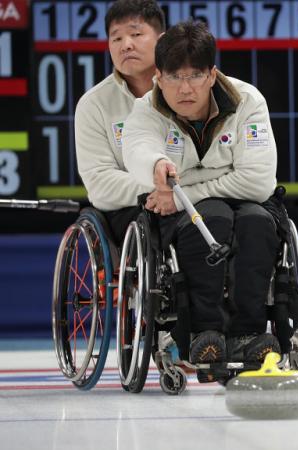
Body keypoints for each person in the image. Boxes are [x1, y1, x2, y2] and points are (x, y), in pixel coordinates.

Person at [121, 21, 282, 377]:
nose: (185, 88)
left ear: (212, 75)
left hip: (217, 200)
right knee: (213, 216)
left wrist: (185, 194)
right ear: (158, 78)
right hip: (191, 214)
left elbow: (257, 182)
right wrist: (156, 164)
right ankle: (204, 332)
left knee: (256, 222)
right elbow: (136, 150)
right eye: (174, 77)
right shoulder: (147, 110)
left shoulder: (248, 102)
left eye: (195, 75)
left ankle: (249, 333)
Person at [74, 0, 164, 243]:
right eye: (116, 39)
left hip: (193, 202)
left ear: (162, 40)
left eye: (136, 34)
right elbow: (100, 184)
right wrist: (164, 188)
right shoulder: (93, 104)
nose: (126, 45)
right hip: (129, 213)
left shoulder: (186, 92)